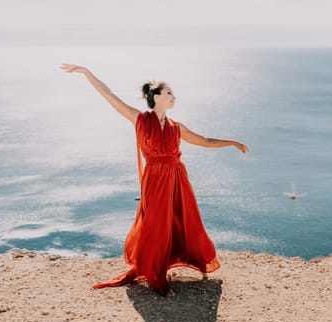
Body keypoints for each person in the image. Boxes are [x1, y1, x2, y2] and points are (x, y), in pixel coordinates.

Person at [60, 64, 249, 297]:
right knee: (156, 225)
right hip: (155, 180)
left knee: (182, 221)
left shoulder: (176, 127)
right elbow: (109, 94)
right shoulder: (139, 119)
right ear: (156, 97)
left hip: (177, 178)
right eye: (169, 93)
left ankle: (183, 260)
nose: (174, 97)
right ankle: (156, 276)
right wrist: (86, 72)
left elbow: (205, 140)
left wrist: (232, 142)